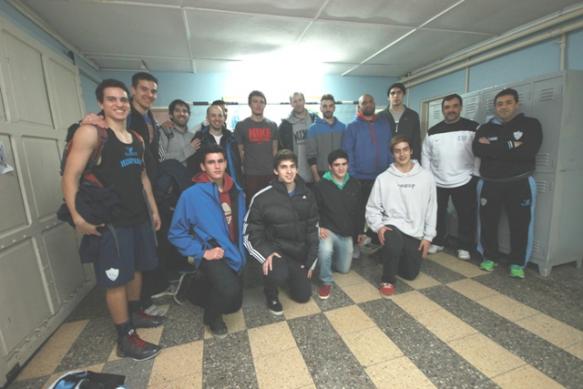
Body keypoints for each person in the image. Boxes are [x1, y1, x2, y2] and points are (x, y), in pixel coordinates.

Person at [62, 79, 163, 360]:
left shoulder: (136, 138)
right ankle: (125, 336)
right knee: (116, 279)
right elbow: (69, 177)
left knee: (137, 268)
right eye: (112, 99)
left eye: (122, 99)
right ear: (101, 103)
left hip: (137, 216)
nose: (119, 104)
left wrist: (153, 209)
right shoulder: (91, 133)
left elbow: (142, 177)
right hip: (110, 220)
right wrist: (77, 217)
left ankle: (135, 313)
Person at [168, 144, 246, 337]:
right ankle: (212, 318)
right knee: (228, 291)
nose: (217, 166)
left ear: (226, 163)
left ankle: (194, 286)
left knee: (234, 304)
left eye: (220, 161)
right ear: (203, 167)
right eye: (211, 162)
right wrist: (202, 252)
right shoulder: (191, 195)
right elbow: (176, 233)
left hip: (234, 251)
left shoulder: (236, 190)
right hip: (212, 252)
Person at [473, 88, 543, 279]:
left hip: (519, 182)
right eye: (500, 104)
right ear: (495, 106)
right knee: (488, 223)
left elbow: (528, 152)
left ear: (516, 104)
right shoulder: (486, 127)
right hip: (490, 182)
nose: (504, 107)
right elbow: (478, 149)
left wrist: (494, 147)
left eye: (508, 102)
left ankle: (517, 263)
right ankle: (489, 257)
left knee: (520, 224)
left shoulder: (531, 125)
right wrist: (512, 145)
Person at [244, 150, 318, 315]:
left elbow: (313, 229)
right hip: (275, 252)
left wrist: (311, 261)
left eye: (292, 166)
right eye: (283, 167)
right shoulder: (262, 197)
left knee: (303, 296)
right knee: (277, 273)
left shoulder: (307, 194)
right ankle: (271, 293)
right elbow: (250, 232)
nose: (289, 171)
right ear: (276, 171)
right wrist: (265, 254)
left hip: (297, 253)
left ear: (297, 169)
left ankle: (291, 275)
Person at [366, 136, 437, 297]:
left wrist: (428, 237)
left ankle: (386, 254)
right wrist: (379, 226)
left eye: (405, 149)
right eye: (397, 151)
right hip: (392, 226)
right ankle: (387, 280)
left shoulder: (426, 177)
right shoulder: (383, 178)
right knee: (394, 243)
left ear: (411, 151)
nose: (402, 154)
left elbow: (432, 209)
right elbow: (372, 208)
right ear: (392, 154)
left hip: (414, 232)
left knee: (410, 274)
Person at [422, 94, 479, 260]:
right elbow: (425, 155)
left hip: (465, 179)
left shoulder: (473, 128)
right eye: (447, 107)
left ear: (460, 107)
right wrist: (428, 177)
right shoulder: (433, 131)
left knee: (465, 214)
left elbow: (479, 153)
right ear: (443, 110)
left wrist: (475, 174)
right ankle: (438, 241)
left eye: (454, 106)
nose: (451, 110)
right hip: (438, 180)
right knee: (437, 213)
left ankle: (464, 246)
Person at [313, 149, 365, 299]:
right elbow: (314, 210)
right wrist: (319, 226)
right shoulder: (321, 185)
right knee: (325, 250)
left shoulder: (355, 184)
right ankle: (325, 281)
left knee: (343, 269)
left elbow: (359, 210)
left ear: (348, 165)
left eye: (344, 164)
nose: (341, 168)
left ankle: (328, 261)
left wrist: (360, 232)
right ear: (330, 167)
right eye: (337, 165)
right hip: (327, 230)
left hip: (346, 232)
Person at [234, 90, 278, 201]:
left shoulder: (273, 125)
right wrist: (246, 167)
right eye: (255, 101)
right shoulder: (241, 126)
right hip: (250, 174)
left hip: (269, 173)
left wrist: (275, 170)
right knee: (252, 204)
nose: (258, 105)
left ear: (265, 104)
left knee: (270, 203)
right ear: (250, 104)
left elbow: (275, 150)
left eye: (261, 102)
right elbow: (240, 151)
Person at [187, 103, 242, 186]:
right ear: (207, 118)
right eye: (213, 115)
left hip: (229, 186)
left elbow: (237, 164)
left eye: (220, 115)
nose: (217, 119)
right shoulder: (199, 138)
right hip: (206, 187)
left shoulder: (231, 138)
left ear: (224, 118)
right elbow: (192, 166)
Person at [306, 94, 346, 183]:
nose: (328, 109)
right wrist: (316, 177)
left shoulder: (343, 127)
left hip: (340, 173)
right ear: (320, 108)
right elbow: (311, 156)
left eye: (330, 106)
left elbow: (346, 153)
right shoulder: (313, 129)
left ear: (334, 108)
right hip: (321, 174)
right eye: (325, 106)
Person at [278, 92, 316, 183]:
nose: (298, 103)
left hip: (314, 170)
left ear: (304, 101)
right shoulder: (285, 125)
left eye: (300, 100)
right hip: (295, 172)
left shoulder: (315, 119)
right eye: (295, 101)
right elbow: (281, 150)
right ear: (291, 104)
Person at [379, 83, 421, 161]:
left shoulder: (413, 115)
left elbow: (416, 141)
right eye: (392, 93)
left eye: (399, 92)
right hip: (385, 161)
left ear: (403, 95)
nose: (396, 96)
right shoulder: (380, 117)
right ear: (388, 97)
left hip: (406, 160)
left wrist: (416, 162)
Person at [158, 99, 199, 167]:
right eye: (177, 111)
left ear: (189, 115)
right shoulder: (164, 132)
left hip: (192, 176)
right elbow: (161, 158)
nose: (182, 114)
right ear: (171, 115)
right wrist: (188, 150)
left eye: (185, 111)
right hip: (171, 176)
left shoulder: (193, 136)